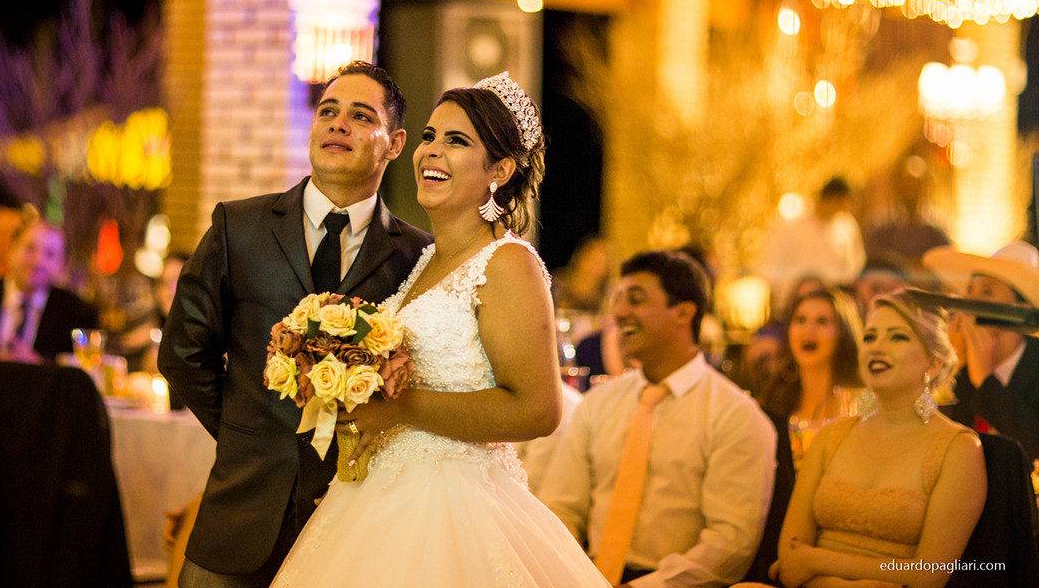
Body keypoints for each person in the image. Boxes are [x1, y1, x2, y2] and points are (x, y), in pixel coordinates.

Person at [270, 74, 610, 587]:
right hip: (376, 496)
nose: (432, 151)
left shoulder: (507, 264)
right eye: (429, 136)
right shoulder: (423, 259)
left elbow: (538, 409)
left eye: (457, 141)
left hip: (455, 506)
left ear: (500, 169)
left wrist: (399, 407)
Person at [159, 61, 431, 588]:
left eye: (359, 115)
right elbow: (182, 354)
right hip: (239, 510)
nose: (337, 124)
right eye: (327, 111)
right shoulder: (238, 227)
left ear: (394, 143)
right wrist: (246, 432)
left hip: (355, 517)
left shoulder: (416, 256)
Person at [541, 250, 777, 587]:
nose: (619, 313)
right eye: (617, 300)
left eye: (636, 300)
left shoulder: (735, 416)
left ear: (684, 312)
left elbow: (728, 547)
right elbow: (561, 507)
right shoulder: (599, 403)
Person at [738, 291, 986, 588]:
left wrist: (820, 561)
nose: (878, 347)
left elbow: (928, 574)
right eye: (870, 337)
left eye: (897, 337)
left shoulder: (957, 448)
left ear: (933, 364)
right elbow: (790, 559)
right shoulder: (832, 435)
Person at [923, 241, 1039, 462]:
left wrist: (985, 380)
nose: (971, 303)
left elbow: (1031, 449)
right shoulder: (962, 365)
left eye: (987, 292)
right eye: (969, 291)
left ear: (1021, 311)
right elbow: (934, 445)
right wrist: (946, 370)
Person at [0, 216, 99, 363]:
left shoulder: (78, 314)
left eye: (50, 254)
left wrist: (38, 365)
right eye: (30, 249)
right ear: (11, 250)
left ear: (62, 264)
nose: (37, 261)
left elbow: (79, 374)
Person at [760, 287, 864, 471]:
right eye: (800, 320)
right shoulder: (773, 407)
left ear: (844, 332)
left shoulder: (862, 405)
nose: (809, 330)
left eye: (822, 321)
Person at [763, 177, 866, 313]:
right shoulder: (791, 225)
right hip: (792, 305)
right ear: (832, 199)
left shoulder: (847, 226)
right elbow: (772, 266)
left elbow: (854, 267)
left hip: (833, 306)